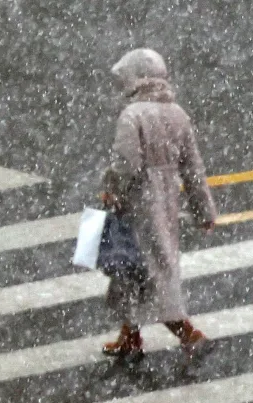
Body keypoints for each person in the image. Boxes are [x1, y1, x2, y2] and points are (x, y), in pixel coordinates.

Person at [100, 48, 217, 362]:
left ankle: (189, 335)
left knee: (141, 269)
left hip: (138, 203)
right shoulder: (177, 114)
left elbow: (126, 163)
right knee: (141, 267)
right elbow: (193, 168)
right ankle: (130, 336)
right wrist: (203, 210)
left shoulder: (133, 115)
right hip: (165, 204)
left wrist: (111, 189)